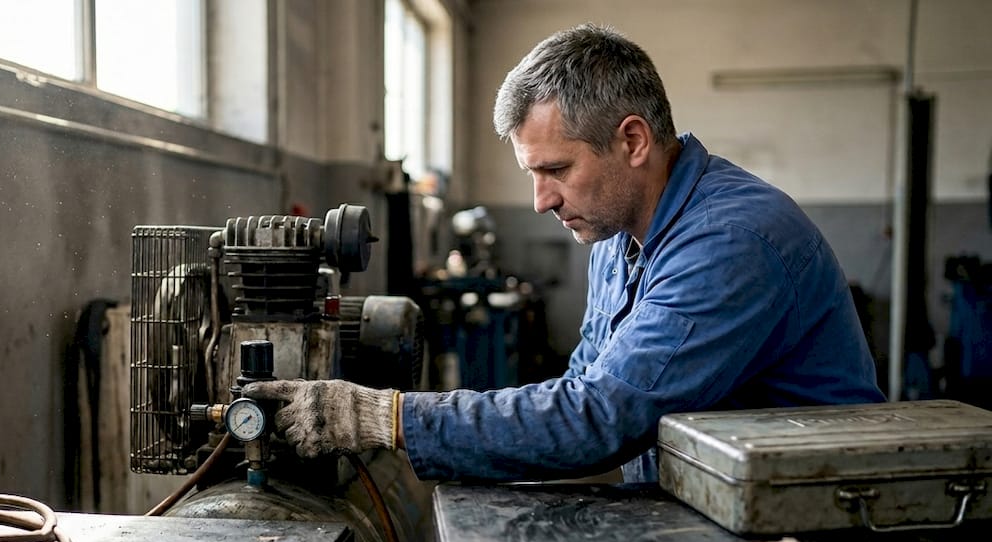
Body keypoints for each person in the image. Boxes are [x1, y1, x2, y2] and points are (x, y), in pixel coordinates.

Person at [244, 23, 885, 483]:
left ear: (632, 140)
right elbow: (583, 384)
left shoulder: (732, 241)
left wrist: (386, 417)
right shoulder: (617, 230)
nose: (540, 201)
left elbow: (601, 418)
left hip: (810, 528)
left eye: (556, 169)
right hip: (701, 501)